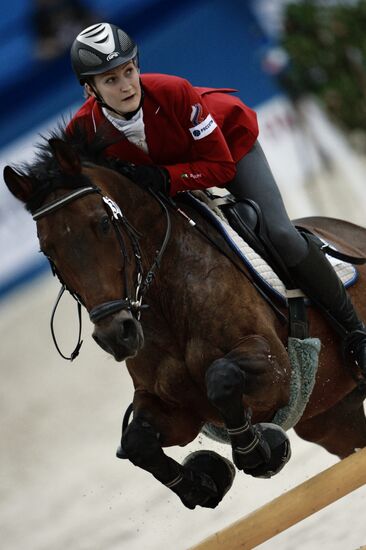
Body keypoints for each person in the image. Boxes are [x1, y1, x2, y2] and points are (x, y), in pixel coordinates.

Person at [68, 22, 366, 378]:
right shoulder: (81, 132)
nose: (126, 85)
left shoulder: (174, 92)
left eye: (129, 71)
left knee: (280, 233)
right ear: (90, 89)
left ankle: (355, 333)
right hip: (167, 182)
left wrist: (167, 177)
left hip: (229, 148)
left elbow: (221, 168)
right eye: (110, 80)